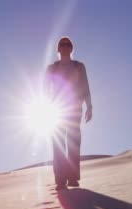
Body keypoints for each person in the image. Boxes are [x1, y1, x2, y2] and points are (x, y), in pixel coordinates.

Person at [44, 36, 93, 190]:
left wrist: (89, 106)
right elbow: (45, 90)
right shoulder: (51, 68)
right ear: (58, 49)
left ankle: (72, 177)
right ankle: (60, 179)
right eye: (62, 45)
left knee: (72, 143)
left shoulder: (79, 67)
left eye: (68, 45)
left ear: (72, 48)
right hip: (56, 109)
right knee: (58, 144)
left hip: (74, 109)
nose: (65, 47)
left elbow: (85, 87)